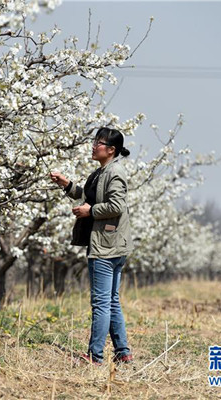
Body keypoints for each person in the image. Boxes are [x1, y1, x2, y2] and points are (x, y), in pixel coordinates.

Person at [50, 127, 134, 365]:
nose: (94, 145)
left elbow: (116, 206)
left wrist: (90, 212)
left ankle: (95, 356)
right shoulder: (102, 172)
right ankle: (123, 352)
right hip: (112, 245)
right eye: (95, 141)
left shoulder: (114, 173)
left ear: (111, 149)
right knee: (111, 301)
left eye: (99, 142)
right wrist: (67, 184)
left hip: (106, 247)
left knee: (101, 303)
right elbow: (90, 196)